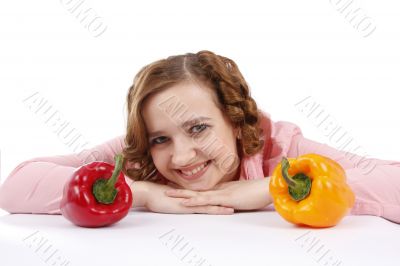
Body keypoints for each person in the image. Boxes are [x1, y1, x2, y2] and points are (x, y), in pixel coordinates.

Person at [0, 50, 399, 223]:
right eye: (161, 139)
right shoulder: (136, 159)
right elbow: (16, 184)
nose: (181, 156)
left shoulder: (283, 150)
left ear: (237, 120)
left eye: (198, 129)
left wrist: (275, 188)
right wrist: (139, 192)